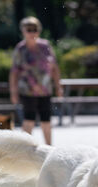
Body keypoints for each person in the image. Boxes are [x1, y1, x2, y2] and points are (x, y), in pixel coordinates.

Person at [9, 17, 62, 145]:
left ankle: (49, 149)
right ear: (23, 31)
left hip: (45, 90)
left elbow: (54, 68)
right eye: (29, 30)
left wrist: (58, 86)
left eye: (35, 29)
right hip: (27, 91)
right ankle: (24, 150)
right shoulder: (20, 49)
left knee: (46, 121)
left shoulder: (45, 46)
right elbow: (14, 73)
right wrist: (13, 92)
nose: (32, 32)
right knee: (29, 120)